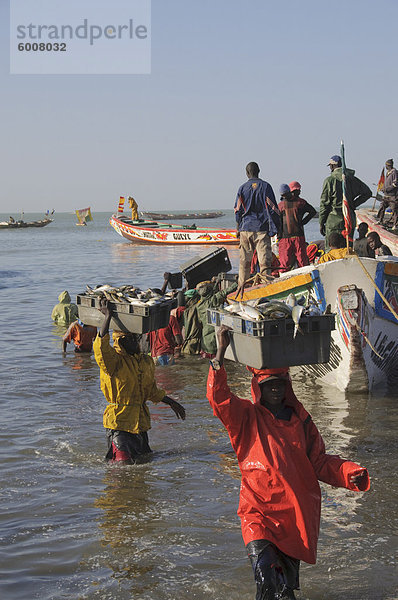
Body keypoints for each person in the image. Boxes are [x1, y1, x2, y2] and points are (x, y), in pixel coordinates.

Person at [207, 326, 370, 600]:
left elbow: (318, 462)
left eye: (279, 384)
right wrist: (220, 351)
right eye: (268, 384)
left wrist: (347, 472)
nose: (274, 389)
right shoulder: (245, 418)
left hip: (293, 517)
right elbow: (218, 398)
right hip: (257, 512)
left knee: (285, 592)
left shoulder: (301, 422)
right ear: (258, 388)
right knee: (266, 580)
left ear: (287, 386)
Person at [93, 299, 186, 463]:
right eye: (130, 340)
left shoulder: (145, 362)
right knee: (123, 465)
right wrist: (107, 317)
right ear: (120, 342)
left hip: (140, 424)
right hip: (119, 424)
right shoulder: (114, 362)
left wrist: (172, 402)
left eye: (136, 339)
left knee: (144, 462)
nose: (135, 343)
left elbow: (151, 391)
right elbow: (100, 348)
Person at [234, 162, 280, 294]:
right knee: (264, 262)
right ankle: (266, 290)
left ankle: (241, 289)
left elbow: (237, 210)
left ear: (247, 173)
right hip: (261, 229)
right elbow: (273, 209)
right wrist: (277, 227)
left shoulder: (242, 188)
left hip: (245, 229)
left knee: (244, 262)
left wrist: (238, 228)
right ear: (259, 171)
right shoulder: (266, 186)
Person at [319, 155, 372, 249]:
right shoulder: (352, 179)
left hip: (333, 221)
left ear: (332, 166)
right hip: (348, 219)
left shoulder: (329, 181)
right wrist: (352, 204)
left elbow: (324, 204)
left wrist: (321, 222)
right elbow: (367, 193)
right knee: (347, 249)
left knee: (332, 250)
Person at [182, 276, 237, 358]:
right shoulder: (213, 301)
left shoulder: (199, 305)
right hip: (213, 340)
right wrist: (237, 282)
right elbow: (224, 292)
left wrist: (217, 283)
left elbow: (213, 294)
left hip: (205, 342)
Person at [277, 182, 316, 272]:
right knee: (286, 263)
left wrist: (303, 222)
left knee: (301, 262)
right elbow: (278, 222)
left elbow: (312, 211)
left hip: (296, 237)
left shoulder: (299, 203)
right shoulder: (282, 205)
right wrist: (279, 236)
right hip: (287, 237)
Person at [376, 159, 398, 229]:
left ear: (388, 165)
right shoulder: (388, 172)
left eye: (386, 165)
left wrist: (387, 189)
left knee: (394, 210)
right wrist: (383, 188)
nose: (385, 167)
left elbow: (395, 184)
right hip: (386, 196)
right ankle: (380, 220)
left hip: (392, 196)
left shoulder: (394, 172)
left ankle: (395, 225)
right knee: (382, 207)